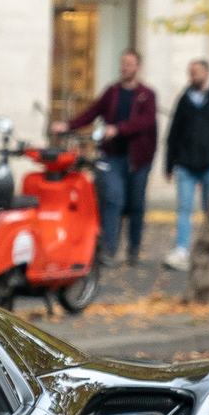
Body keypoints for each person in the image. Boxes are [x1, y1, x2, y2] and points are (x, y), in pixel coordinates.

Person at [53, 48, 158, 264]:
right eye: (122, 63)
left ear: (137, 67)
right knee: (112, 200)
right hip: (112, 156)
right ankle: (109, 250)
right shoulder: (112, 91)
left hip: (138, 159)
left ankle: (134, 249)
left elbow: (145, 121)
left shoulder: (147, 95)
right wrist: (68, 125)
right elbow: (92, 112)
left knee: (135, 205)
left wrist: (119, 128)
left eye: (129, 64)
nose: (124, 67)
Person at [160, 58, 209, 273]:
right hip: (185, 165)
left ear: (207, 73)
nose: (193, 76)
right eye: (191, 73)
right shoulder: (184, 100)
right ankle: (182, 250)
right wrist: (169, 165)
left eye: (197, 72)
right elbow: (173, 134)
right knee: (184, 209)